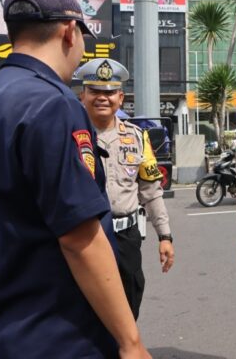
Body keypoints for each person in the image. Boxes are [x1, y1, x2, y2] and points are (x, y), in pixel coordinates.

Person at [0, 0, 149, 358]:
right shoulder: (53, 104)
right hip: (56, 329)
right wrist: (131, 342)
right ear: (68, 32)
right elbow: (79, 237)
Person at [77, 58, 175, 320]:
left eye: (109, 92)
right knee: (85, 307)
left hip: (126, 237)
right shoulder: (68, 135)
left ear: (120, 98)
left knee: (130, 298)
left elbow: (151, 191)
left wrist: (165, 235)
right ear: (82, 95)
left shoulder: (136, 137)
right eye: (95, 91)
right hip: (84, 237)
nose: (103, 98)